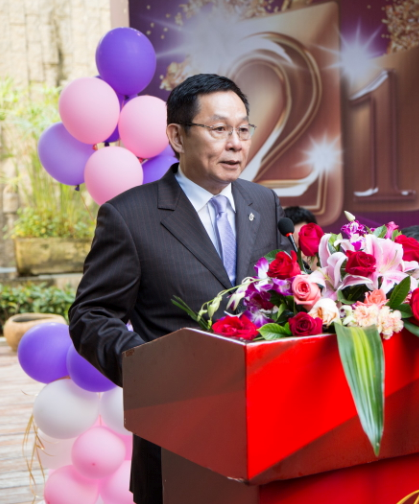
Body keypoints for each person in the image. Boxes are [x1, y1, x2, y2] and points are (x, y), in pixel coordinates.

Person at [69, 74, 290, 504]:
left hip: (264, 435)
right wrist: (153, 371)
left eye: (243, 129)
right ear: (176, 136)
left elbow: (278, 294)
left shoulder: (264, 204)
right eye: (219, 129)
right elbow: (90, 316)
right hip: (177, 440)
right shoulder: (130, 216)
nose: (236, 144)